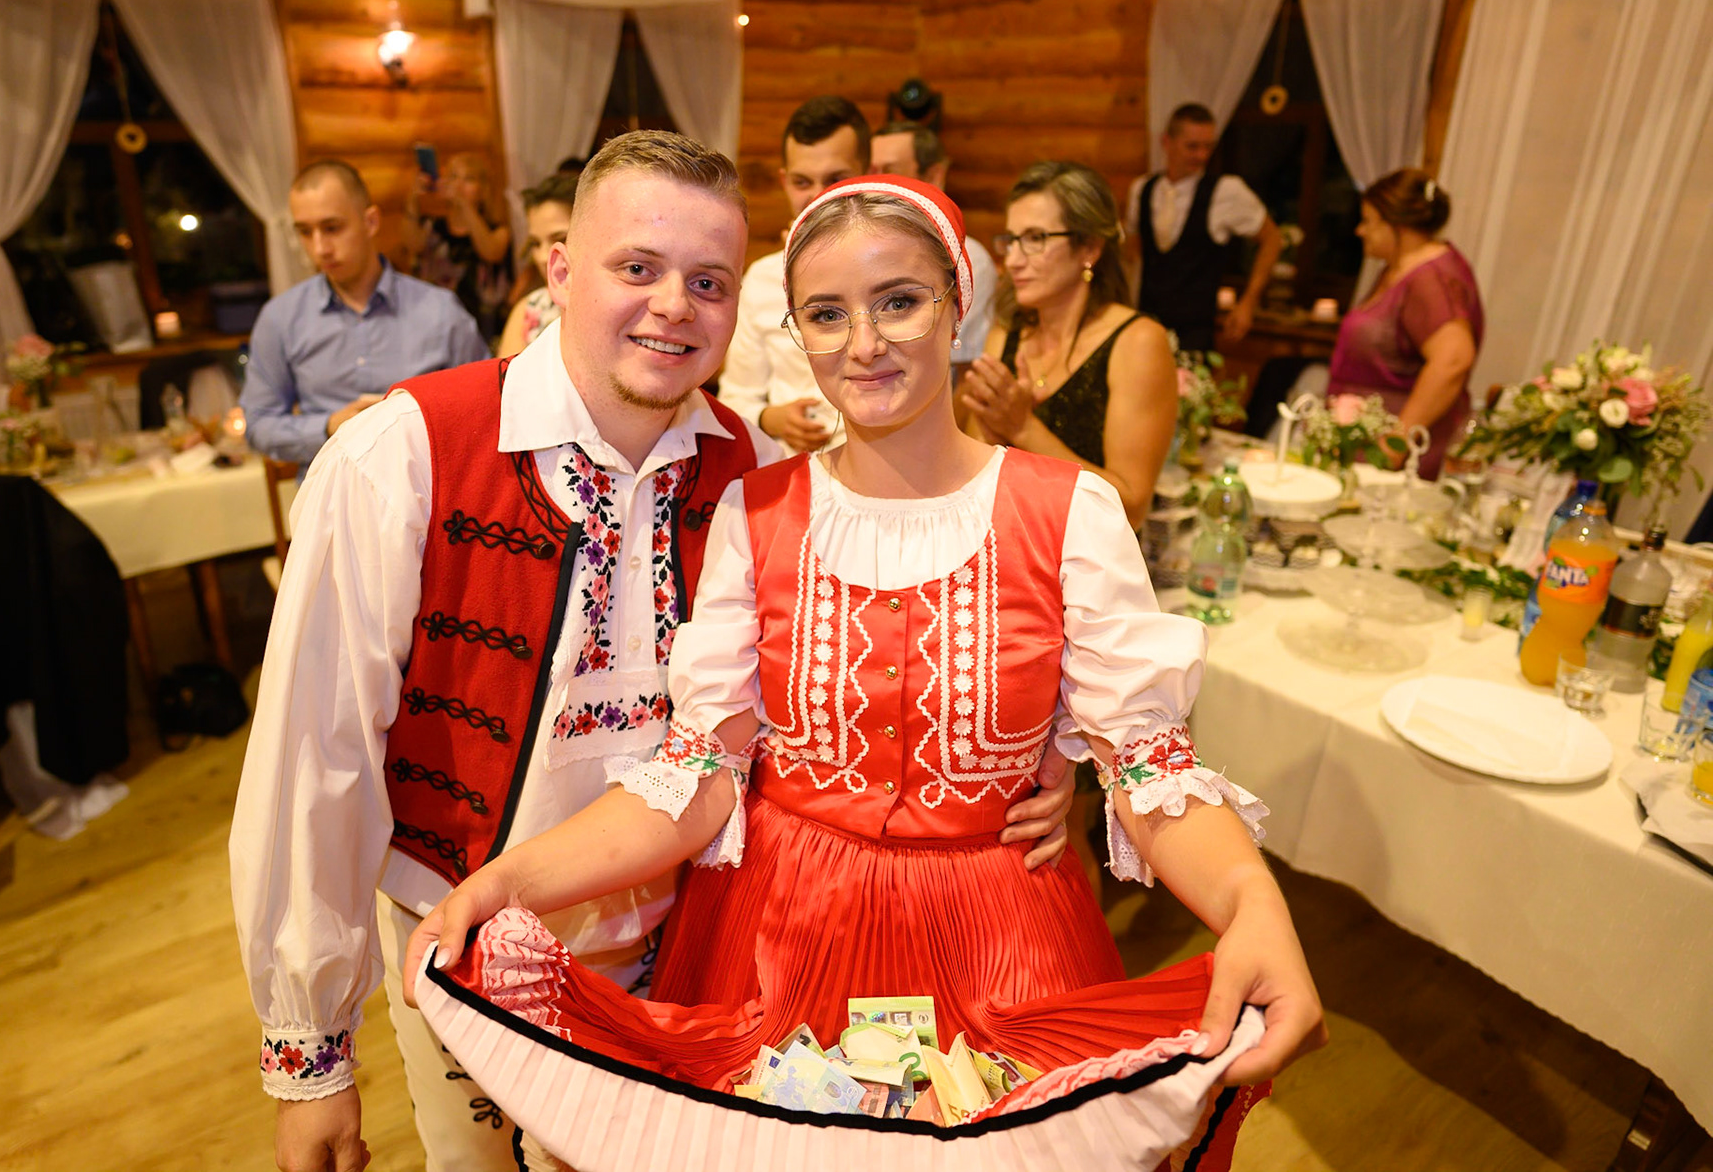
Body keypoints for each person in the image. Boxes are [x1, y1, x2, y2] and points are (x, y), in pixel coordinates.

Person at [407, 177, 1325, 1166]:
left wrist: (1252, 901)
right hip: (778, 939)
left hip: (1006, 944)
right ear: (797, 331)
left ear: (957, 303)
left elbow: (1150, 769)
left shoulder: (1071, 511)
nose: (865, 343)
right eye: (827, 313)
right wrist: (509, 878)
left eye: (899, 301)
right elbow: (694, 778)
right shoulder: (758, 511)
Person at [230, 134, 1081, 1172]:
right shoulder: (402, 454)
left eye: (708, 281)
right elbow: (313, 763)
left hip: (690, 952)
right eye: (637, 266)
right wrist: (311, 1053)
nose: (673, 305)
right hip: (467, 949)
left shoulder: (759, 471)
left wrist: (1039, 759)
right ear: (558, 271)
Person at [960, 162, 1178, 530]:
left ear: (1089, 247)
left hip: (1088, 556)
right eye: (1011, 240)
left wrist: (1024, 430)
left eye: (1035, 239)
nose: (1013, 260)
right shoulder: (1006, 335)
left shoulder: (1137, 341)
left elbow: (1131, 509)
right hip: (1008, 543)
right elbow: (971, 479)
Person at [242, 160, 489, 470]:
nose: (320, 249)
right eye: (305, 232)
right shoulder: (281, 318)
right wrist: (328, 427)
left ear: (370, 222)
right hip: (329, 491)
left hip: (428, 488)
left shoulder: (441, 311)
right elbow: (258, 425)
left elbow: (486, 407)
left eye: (332, 228)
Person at [716, 95, 870, 455]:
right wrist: (772, 418)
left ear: (868, 174)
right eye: (802, 182)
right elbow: (736, 398)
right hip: (789, 466)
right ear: (784, 182)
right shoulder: (761, 278)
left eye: (835, 179)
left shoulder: (891, 273)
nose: (817, 197)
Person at [1327, 169, 1483, 479]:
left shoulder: (1431, 279)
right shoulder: (1399, 268)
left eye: (1368, 221)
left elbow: (1453, 360)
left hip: (1393, 458)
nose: (1360, 230)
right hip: (1365, 444)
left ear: (1397, 225)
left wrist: (1396, 441)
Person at [1125, 103, 1282, 352]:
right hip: (1146, 325)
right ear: (1166, 142)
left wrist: (1248, 302)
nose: (1201, 156)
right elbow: (1133, 253)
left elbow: (1272, 239)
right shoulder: (1141, 189)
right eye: (1192, 146)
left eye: (1208, 147)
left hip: (1195, 332)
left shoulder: (1227, 191)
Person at [870, 120, 999, 378]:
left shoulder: (966, 258)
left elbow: (966, 372)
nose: (876, 185)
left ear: (933, 177)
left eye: (889, 173)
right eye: (871, 172)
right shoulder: (859, 253)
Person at [410, 150, 515, 344]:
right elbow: (412, 244)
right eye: (453, 177)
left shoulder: (499, 230)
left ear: (483, 189)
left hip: (485, 332)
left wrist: (463, 204)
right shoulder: (433, 227)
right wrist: (413, 199)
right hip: (437, 330)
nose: (458, 185)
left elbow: (491, 251)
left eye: (468, 179)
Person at [496, 172, 576, 359]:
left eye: (559, 239)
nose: (543, 256)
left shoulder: (619, 304)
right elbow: (508, 376)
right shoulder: (529, 309)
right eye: (535, 243)